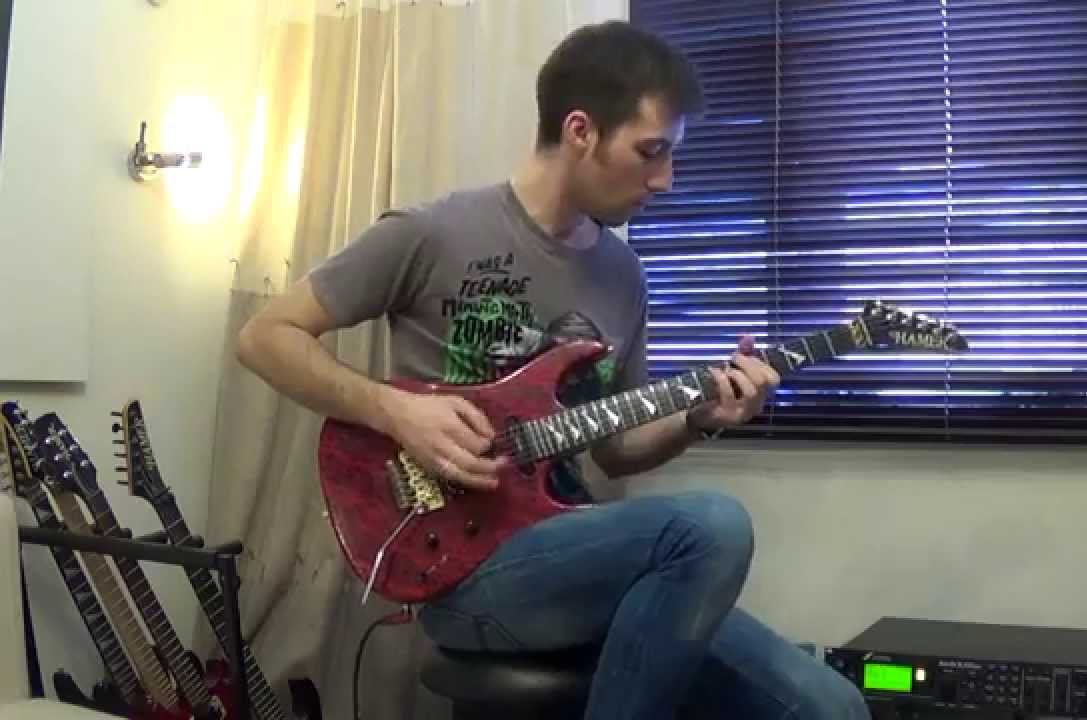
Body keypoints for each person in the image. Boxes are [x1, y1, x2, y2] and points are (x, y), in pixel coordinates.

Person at [236, 19, 871, 720]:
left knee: (831, 706)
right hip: (467, 566)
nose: (665, 180)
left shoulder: (623, 274)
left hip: (580, 553)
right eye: (651, 152)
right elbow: (266, 337)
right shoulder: (432, 233)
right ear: (580, 131)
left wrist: (698, 419)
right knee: (714, 524)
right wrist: (395, 411)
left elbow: (617, 450)